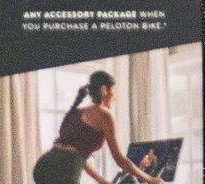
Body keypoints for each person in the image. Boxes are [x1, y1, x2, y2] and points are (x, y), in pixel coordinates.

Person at [34, 71, 165, 184]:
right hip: (64, 171)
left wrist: (102, 181)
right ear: (104, 90)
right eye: (113, 91)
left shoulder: (79, 111)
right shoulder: (105, 115)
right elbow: (119, 159)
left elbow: (79, 157)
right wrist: (150, 179)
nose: (114, 97)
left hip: (44, 166)